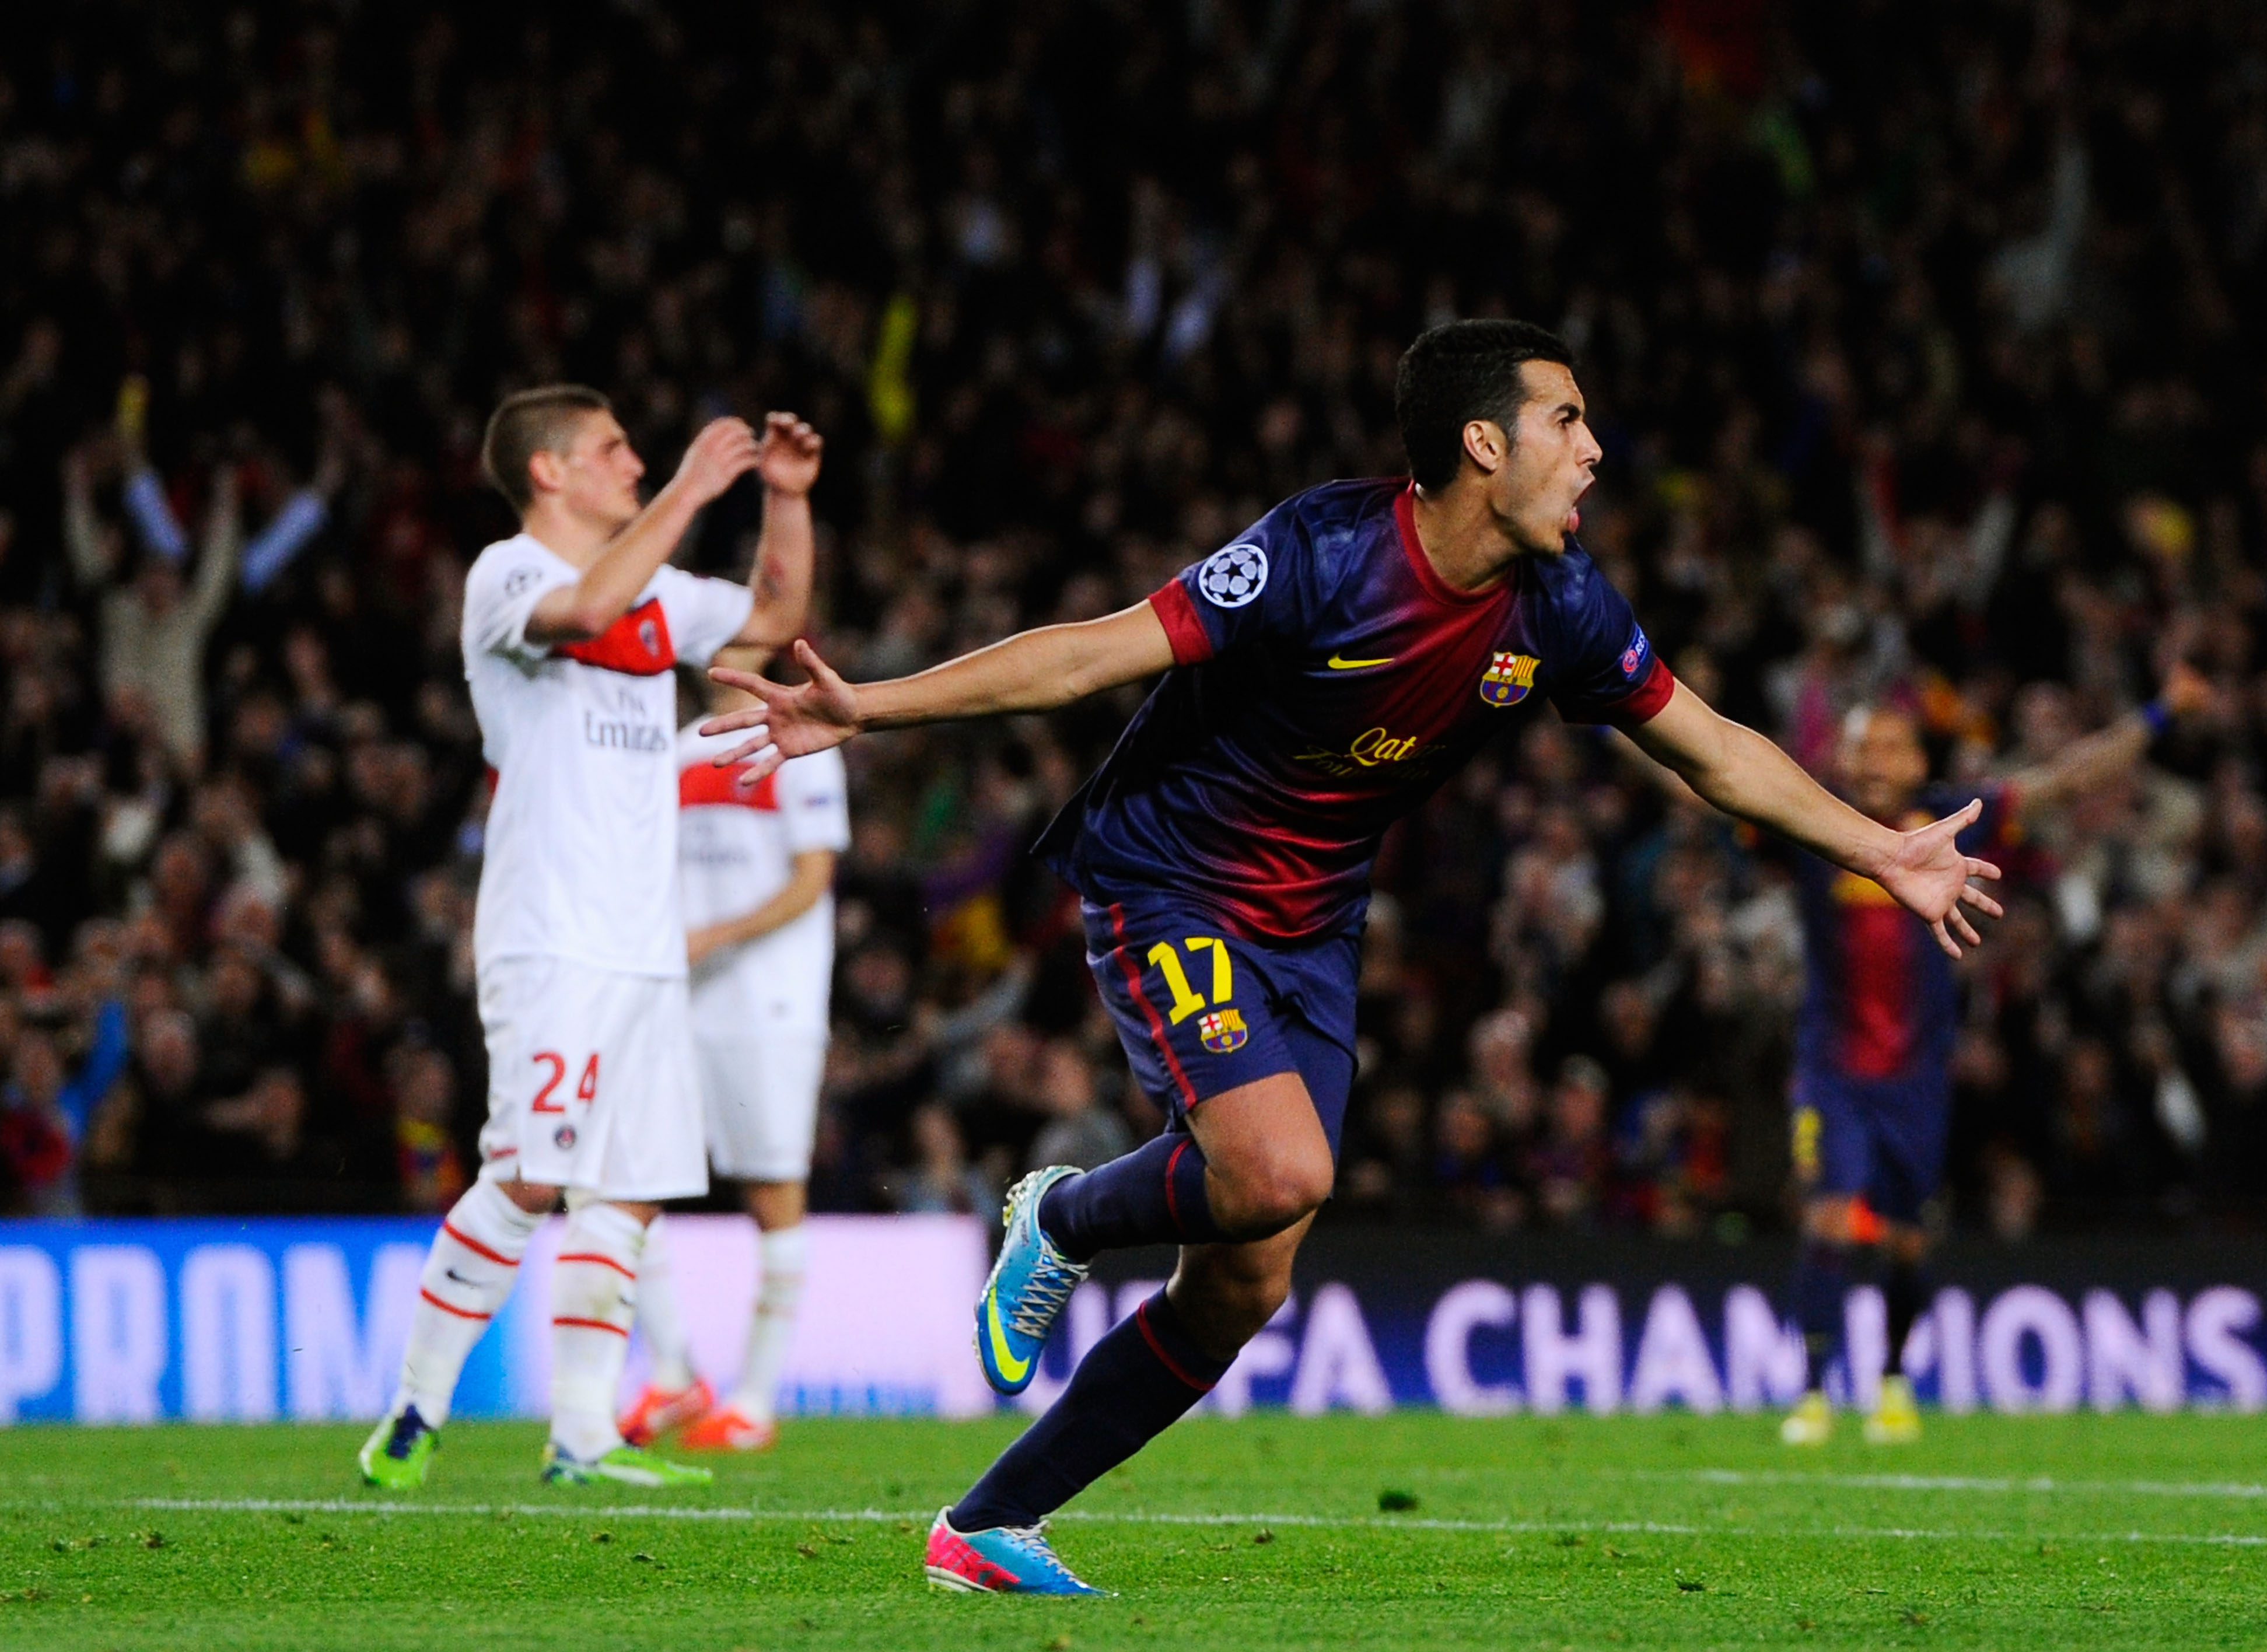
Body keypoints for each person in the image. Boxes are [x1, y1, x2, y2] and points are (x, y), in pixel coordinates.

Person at [705, 319, 2001, 1594]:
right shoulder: (1320, 553)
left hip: (1314, 924)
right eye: (1568, 420)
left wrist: (1879, 850)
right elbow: (1098, 651)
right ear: (1482, 442)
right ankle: (1060, 1215)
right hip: (1172, 884)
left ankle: (987, 1524)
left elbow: (1710, 746)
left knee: (1246, 1280)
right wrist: (872, 703)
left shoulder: (1557, 603)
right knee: (1275, 1170)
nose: (1597, 451)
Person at [356, 385, 818, 1489]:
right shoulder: (506, 575)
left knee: (631, 1191)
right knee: (524, 1176)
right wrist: (690, 489)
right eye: (613, 451)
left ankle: (581, 1434)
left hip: (646, 945)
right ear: (550, 471)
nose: (634, 464)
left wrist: (786, 502)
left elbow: (771, 613)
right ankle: (414, 1413)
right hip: (551, 936)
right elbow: (579, 612)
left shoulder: (653, 590)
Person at [1776, 675, 2206, 1448]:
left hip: (1917, 1076)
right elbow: (1703, 786)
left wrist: (2159, 712)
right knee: (1832, 1216)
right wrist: (1614, 706)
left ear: (1918, 760)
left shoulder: (1955, 821)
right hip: (1832, 1069)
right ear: (1839, 757)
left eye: (1892, 744)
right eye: (1862, 745)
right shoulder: (1814, 823)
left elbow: (2070, 776)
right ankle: (1812, 1393)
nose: (1876, 760)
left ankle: (1894, 1380)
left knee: (1907, 1237)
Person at [620, 650, 850, 1454]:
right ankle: (676, 1375)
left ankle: (753, 1401)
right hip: (678, 999)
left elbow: (812, 877)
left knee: (771, 1193)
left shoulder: (805, 745)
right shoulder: (677, 752)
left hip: (769, 1001)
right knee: (629, 1179)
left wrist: (715, 934)